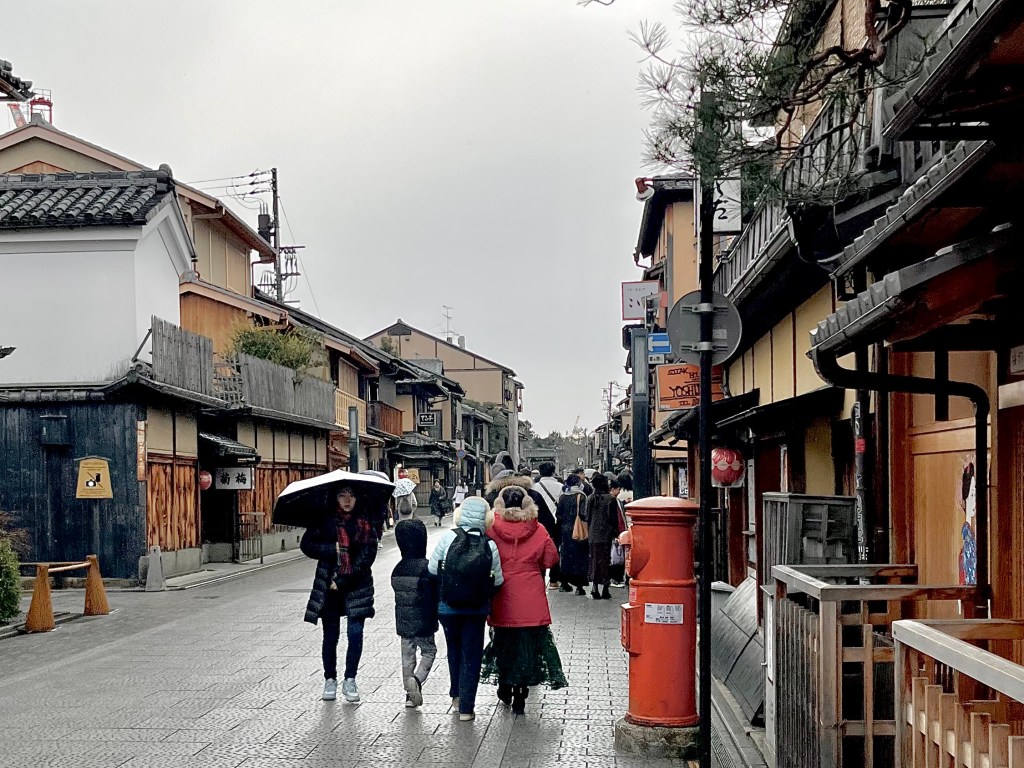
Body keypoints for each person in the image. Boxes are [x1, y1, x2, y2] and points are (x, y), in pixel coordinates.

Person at [481, 485, 566, 714]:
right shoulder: (537, 529)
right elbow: (550, 559)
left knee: (504, 643)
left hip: (502, 596)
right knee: (528, 647)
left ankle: (504, 684)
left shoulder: (492, 529)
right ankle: (521, 692)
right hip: (531, 597)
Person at [428, 496, 504, 722]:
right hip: (476, 610)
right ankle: (466, 708)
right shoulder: (490, 545)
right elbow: (498, 581)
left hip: (448, 608)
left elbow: (432, 570)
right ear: (486, 518)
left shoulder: (448, 538)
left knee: (453, 650)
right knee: (471, 655)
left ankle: (456, 695)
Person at [301, 484, 378, 702]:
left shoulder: (365, 522)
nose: (347, 500)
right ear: (335, 498)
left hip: (356, 585)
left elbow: (368, 555)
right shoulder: (325, 520)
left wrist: (342, 580)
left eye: (351, 495)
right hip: (329, 585)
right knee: (330, 635)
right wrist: (329, 549)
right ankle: (330, 679)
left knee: (355, 633)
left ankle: (350, 679)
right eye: (342, 495)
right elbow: (306, 545)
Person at [391, 515, 438, 708]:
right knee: (429, 651)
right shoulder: (426, 567)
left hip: (403, 621)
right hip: (424, 621)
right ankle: (417, 680)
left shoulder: (397, 569)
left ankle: (409, 695)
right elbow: (433, 593)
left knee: (407, 656)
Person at [532, 461, 565, 591]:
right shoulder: (561, 487)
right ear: (553, 472)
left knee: (538, 549)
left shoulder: (534, 487)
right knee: (555, 549)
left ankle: (540, 577)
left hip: (539, 522)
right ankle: (553, 580)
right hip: (556, 522)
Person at [556, 474, 590, 595]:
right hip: (578, 531)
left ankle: (564, 583)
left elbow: (558, 514)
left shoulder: (563, 496)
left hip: (565, 530)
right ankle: (579, 586)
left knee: (565, 557)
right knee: (580, 557)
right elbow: (583, 514)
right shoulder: (581, 496)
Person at [586, 473, 617, 600]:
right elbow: (613, 518)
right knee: (605, 561)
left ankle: (594, 587)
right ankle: (605, 587)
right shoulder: (610, 499)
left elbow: (587, 517)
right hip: (606, 534)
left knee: (594, 560)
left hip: (593, 534)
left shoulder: (590, 498)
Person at [608, 478, 629, 588]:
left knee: (618, 556)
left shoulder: (616, 501)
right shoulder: (612, 501)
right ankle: (615, 578)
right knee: (616, 556)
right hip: (617, 532)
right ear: (612, 489)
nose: (619, 491)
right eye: (618, 489)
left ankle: (618, 578)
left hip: (620, 532)